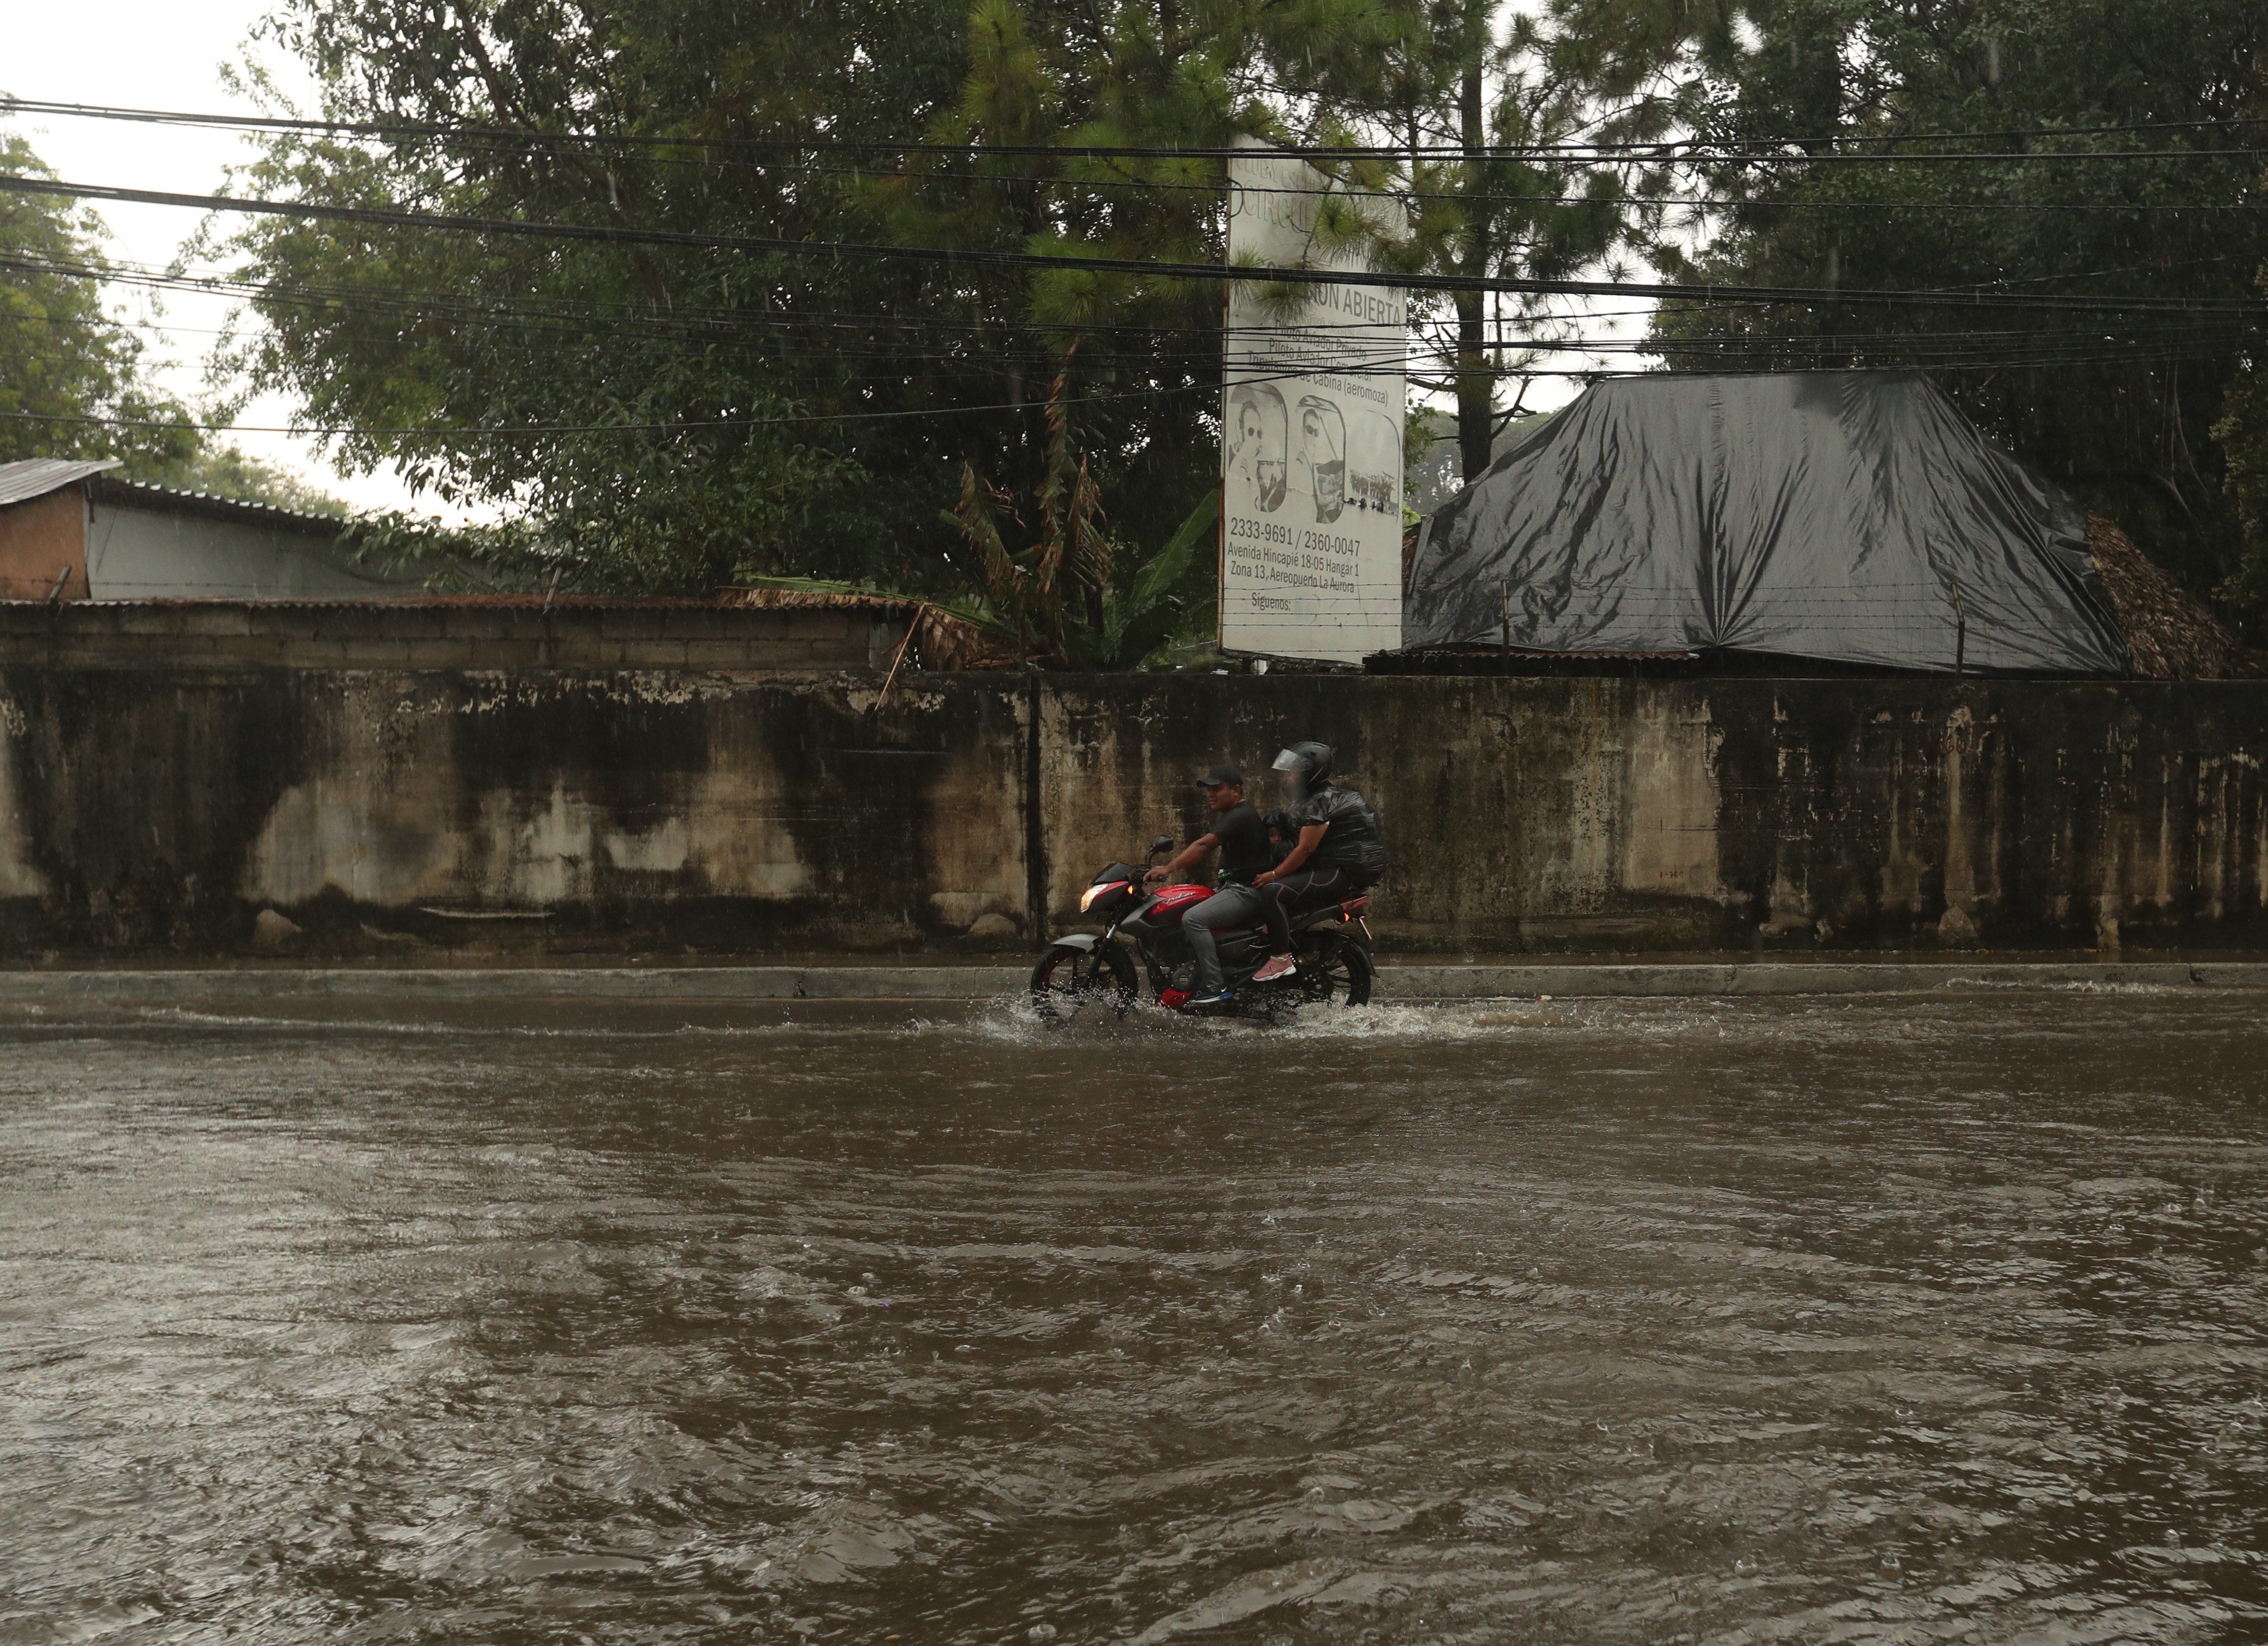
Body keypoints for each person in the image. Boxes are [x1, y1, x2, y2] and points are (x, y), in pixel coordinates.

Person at [1249, 741, 1387, 983]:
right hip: (1331, 871)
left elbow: (1305, 849)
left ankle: (1280, 958)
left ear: (1313, 773)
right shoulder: (1318, 799)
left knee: (1273, 893)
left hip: (1337, 874)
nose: (1288, 777)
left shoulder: (1319, 802)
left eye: (1295, 772)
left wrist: (1274, 875)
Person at [1146, 764, 1274, 1008]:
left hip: (1246, 892)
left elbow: (1204, 846)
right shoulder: (1235, 815)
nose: (1210, 794)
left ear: (1236, 790)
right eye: (1208, 789)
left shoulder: (1240, 815)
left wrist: (1167, 869)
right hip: (1233, 889)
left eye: (1217, 788)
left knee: (1193, 919)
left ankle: (1216, 987)